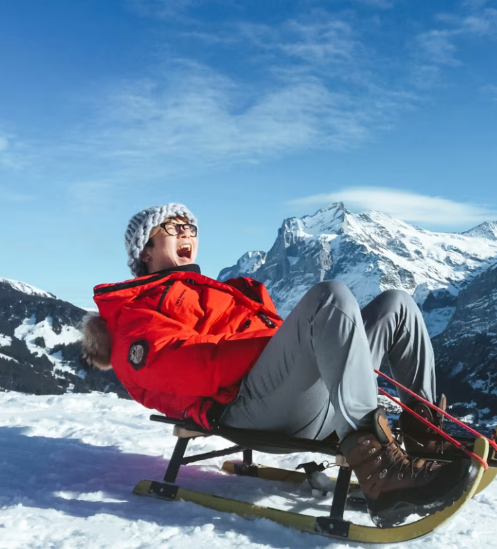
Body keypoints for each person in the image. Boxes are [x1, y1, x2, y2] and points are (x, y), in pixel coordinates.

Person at [82, 203, 475, 526]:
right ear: (145, 251)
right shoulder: (137, 310)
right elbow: (184, 365)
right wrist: (278, 345)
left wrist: (304, 347)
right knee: (329, 296)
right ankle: (380, 472)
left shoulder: (219, 291)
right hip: (248, 409)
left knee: (397, 304)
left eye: (191, 227)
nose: (186, 232)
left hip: (301, 398)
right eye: (172, 227)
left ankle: (427, 441)